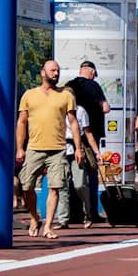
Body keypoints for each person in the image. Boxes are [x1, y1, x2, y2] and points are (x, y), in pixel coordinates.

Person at [16, 60, 81, 240]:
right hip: (34, 148)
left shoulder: (66, 95)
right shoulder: (29, 95)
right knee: (26, 185)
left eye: (58, 70)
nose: (56, 73)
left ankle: (48, 226)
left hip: (58, 149)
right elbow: (21, 122)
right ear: (43, 73)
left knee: (55, 187)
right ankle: (35, 217)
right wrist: (19, 148)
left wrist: (78, 148)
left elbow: (73, 123)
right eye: (52, 70)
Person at [65, 60, 110, 223]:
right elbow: (105, 108)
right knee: (90, 175)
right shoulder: (93, 86)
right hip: (89, 135)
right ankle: (90, 212)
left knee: (71, 175)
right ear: (91, 72)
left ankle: (72, 213)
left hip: (68, 139)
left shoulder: (69, 86)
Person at [56, 93, 101, 229]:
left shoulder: (80, 111)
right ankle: (63, 219)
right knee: (61, 185)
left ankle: (88, 214)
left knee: (80, 184)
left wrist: (97, 152)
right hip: (60, 148)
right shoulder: (56, 109)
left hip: (77, 148)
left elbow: (88, 133)